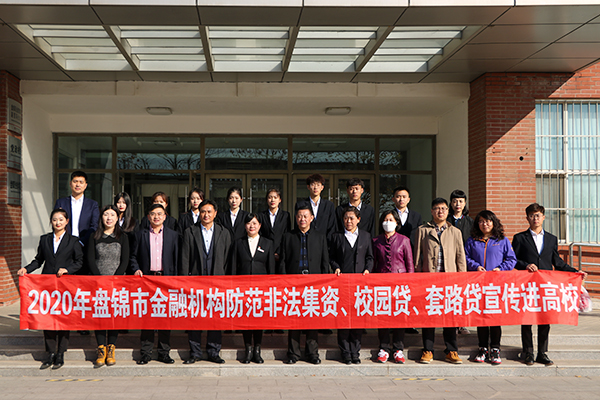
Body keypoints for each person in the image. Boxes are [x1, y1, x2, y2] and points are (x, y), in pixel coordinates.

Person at [512, 203, 587, 367]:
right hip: (527, 284)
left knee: (545, 318)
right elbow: (513, 260)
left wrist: (575, 272)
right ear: (527, 218)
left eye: (538, 215)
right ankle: (528, 352)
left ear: (543, 217)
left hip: (545, 285)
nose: (535, 218)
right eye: (532, 215)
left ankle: (542, 352)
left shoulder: (551, 239)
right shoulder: (520, 238)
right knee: (527, 318)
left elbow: (557, 262)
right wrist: (525, 265)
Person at [17, 208, 83, 370]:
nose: (57, 222)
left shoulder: (73, 241)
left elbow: (79, 261)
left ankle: (60, 353)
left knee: (63, 320)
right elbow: (38, 260)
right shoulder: (45, 239)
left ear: (67, 222)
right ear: (51, 222)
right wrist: (26, 269)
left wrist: (67, 269)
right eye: (54, 219)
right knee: (47, 319)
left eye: (61, 219)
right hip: (47, 286)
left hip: (65, 286)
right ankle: (50, 353)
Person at [414, 197, 467, 365]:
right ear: (432, 211)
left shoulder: (455, 232)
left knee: (450, 317)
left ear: (448, 211)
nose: (440, 211)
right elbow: (417, 257)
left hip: (449, 281)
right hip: (429, 280)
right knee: (428, 317)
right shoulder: (423, 230)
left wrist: (461, 279)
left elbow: (460, 258)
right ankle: (427, 350)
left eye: (443, 208)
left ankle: (451, 351)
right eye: (437, 208)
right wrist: (417, 278)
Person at [181, 199, 232, 364]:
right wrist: (185, 282)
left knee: (215, 318)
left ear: (215, 213)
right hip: (195, 282)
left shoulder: (224, 233)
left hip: (217, 283)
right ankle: (195, 352)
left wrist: (224, 280)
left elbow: (227, 260)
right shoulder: (190, 232)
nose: (206, 215)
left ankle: (213, 351)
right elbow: (185, 259)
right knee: (195, 317)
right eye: (203, 211)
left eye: (209, 211)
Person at [465, 210, 516, 365]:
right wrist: (475, 266)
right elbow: (465, 257)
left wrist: (501, 268)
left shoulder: (502, 240)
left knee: (494, 317)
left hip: (496, 285)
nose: (485, 224)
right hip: (478, 284)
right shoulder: (472, 240)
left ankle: (495, 349)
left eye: (488, 221)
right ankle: (482, 348)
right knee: (481, 318)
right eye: (481, 221)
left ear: (494, 223)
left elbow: (511, 259)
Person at [280, 205, 330, 364]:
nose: (302, 219)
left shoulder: (320, 237)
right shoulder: (288, 236)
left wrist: (324, 283)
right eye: (299, 216)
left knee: (312, 319)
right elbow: (283, 261)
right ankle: (293, 353)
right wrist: (284, 281)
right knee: (294, 319)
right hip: (293, 283)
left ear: (311, 218)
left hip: (313, 283)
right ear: (296, 218)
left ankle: (312, 353)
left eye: (305, 216)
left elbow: (325, 262)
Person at [130, 204, 178, 365]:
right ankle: (146, 353)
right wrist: (136, 269)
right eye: (153, 214)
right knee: (147, 318)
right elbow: (133, 256)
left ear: (165, 216)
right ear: (148, 217)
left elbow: (176, 259)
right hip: (147, 280)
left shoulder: (173, 235)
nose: (156, 217)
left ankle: (164, 352)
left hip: (166, 280)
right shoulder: (140, 235)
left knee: (165, 318)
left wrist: (175, 279)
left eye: (159, 214)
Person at [86, 205, 130, 368]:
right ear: (101, 217)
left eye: (112, 215)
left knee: (113, 316)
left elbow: (125, 260)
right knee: (100, 316)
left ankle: (111, 348)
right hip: (98, 284)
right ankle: (100, 349)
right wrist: (100, 279)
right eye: (106, 214)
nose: (109, 218)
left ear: (118, 218)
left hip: (117, 284)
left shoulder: (122, 237)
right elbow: (90, 259)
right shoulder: (94, 236)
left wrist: (115, 279)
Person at [329, 206, 373, 364]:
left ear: (358, 220)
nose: (349, 221)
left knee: (357, 318)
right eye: (346, 218)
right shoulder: (336, 236)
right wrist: (336, 267)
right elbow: (331, 257)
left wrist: (368, 269)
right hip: (342, 284)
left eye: (352, 218)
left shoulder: (366, 236)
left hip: (360, 284)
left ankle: (355, 351)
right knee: (343, 318)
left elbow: (370, 257)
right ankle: (345, 352)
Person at [231, 213, 275, 364]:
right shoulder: (238, 243)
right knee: (246, 320)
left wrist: (270, 288)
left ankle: (257, 349)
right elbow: (233, 267)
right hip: (243, 289)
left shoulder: (267, 243)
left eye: (255, 223)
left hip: (260, 290)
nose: (252, 226)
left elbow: (271, 269)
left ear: (260, 226)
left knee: (258, 320)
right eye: (249, 223)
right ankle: (248, 349)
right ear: (245, 226)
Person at [372, 209, 414, 364]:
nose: (387, 223)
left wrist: (410, 283)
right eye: (385, 220)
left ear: (397, 223)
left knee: (399, 317)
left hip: (400, 284)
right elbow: (373, 263)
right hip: (382, 283)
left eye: (391, 220)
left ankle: (398, 349)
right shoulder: (376, 241)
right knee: (383, 317)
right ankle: (383, 348)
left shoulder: (404, 240)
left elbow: (409, 264)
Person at [448, 189, 474, 335]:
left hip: (465, 262)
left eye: (461, 201)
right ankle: (450, 322)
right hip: (448, 262)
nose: (458, 204)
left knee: (463, 293)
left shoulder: (470, 222)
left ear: (465, 204)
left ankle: (462, 323)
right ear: (451, 203)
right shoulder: (446, 220)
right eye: (455, 201)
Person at [54, 170, 99, 247]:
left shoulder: (92, 205)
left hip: (85, 245)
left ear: (85, 185)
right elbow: (55, 222)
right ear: (70, 184)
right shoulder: (61, 203)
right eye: (75, 181)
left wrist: (82, 242)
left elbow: (94, 226)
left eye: (81, 182)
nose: (78, 185)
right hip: (64, 244)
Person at [295, 174, 336, 241]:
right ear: (308, 187)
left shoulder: (329, 205)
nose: (315, 187)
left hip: (324, 242)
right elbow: (297, 225)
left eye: (318, 185)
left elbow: (332, 226)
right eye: (313, 185)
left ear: (322, 187)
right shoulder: (300, 204)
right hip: (306, 241)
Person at [259, 188, 291, 265]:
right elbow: (260, 235)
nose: (272, 200)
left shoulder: (285, 215)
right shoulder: (261, 215)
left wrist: (279, 252)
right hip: (265, 254)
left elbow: (287, 234)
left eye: (275, 197)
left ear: (280, 200)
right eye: (270, 197)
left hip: (281, 254)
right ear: (267, 200)